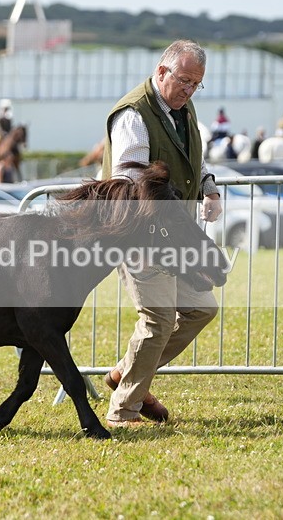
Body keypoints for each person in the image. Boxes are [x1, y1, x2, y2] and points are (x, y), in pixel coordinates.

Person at [100, 39, 222, 428]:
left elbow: (194, 160)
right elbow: (129, 176)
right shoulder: (133, 114)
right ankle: (123, 411)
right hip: (139, 232)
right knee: (158, 319)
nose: (188, 89)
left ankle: (125, 374)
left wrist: (210, 187)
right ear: (161, 71)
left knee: (202, 308)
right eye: (184, 80)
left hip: (173, 235)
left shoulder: (182, 110)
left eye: (195, 84)